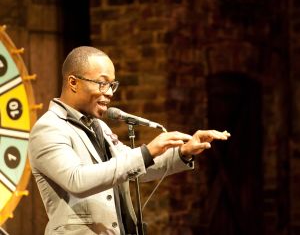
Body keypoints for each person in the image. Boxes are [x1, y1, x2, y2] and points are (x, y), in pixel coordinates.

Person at [28, 46, 230, 235]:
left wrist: (183, 151)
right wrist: (146, 152)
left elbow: (136, 167)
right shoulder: (49, 128)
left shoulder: (99, 126)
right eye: (102, 83)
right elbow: (77, 180)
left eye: (112, 85)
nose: (109, 92)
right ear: (73, 82)